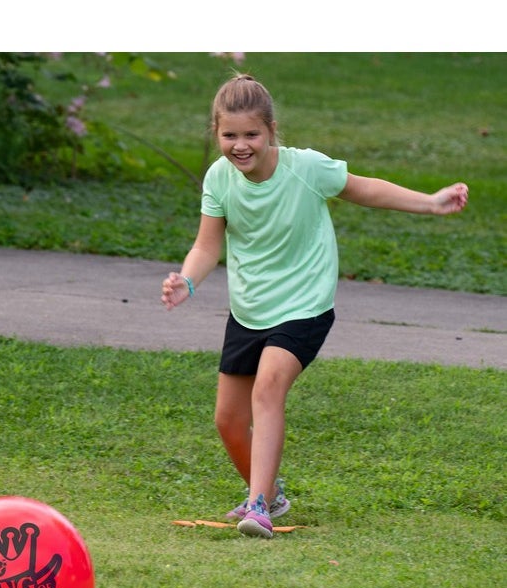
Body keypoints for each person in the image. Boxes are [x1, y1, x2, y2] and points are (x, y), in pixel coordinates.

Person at [161, 73, 469, 539]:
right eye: (229, 135)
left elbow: (365, 188)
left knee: (268, 388)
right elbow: (207, 246)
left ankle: (259, 505)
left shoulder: (306, 169)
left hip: (304, 304)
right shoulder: (219, 178)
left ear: (271, 130)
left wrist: (430, 202)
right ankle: (271, 492)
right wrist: (187, 279)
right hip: (250, 307)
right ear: (216, 132)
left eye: (251, 135)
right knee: (227, 419)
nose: (240, 145)